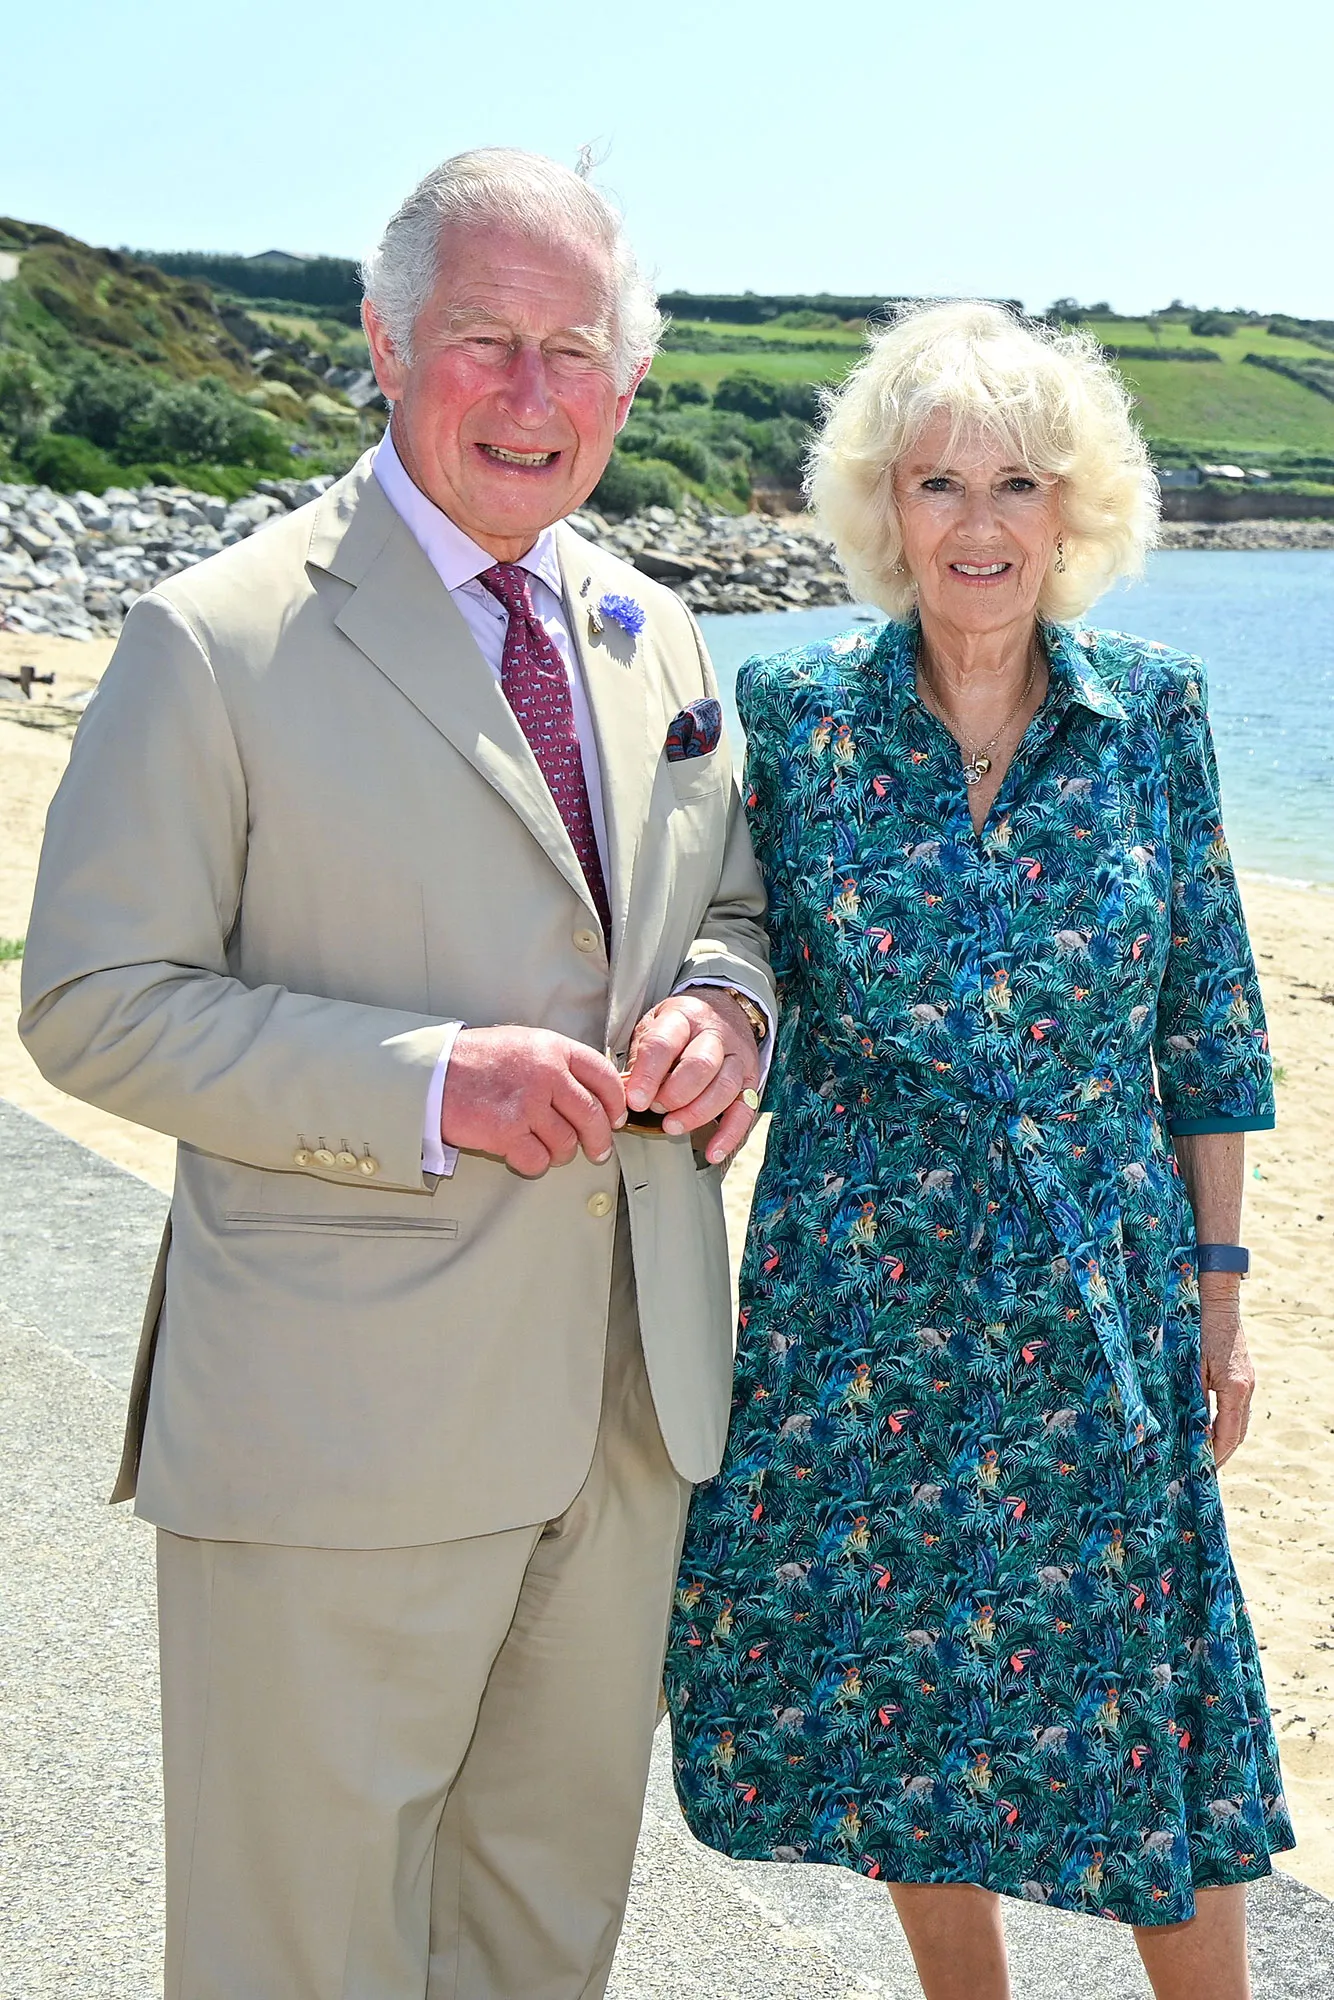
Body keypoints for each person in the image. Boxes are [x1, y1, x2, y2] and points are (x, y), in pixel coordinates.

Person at [20, 148, 775, 2000]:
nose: (530, 392)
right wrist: (431, 1082)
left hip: (624, 1418)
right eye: (483, 340)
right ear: (382, 342)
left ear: (626, 385)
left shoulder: (653, 625)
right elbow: (90, 999)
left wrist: (727, 1005)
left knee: (538, 1941)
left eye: (572, 352)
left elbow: (726, 904)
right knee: (298, 1956)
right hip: (334, 1433)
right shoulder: (211, 637)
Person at [664, 300, 1292, 2000]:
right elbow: (724, 941)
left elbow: (1208, 1026)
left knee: (1146, 1697)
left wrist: (1221, 1302)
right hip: (863, 1300)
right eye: (937, 482)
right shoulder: (795, 716)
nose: (978, 523)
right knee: (902, 1696)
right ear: (885, 506)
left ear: (1072, 509)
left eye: (1017, 482)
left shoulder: (1151, 712)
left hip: (1102, 1286)